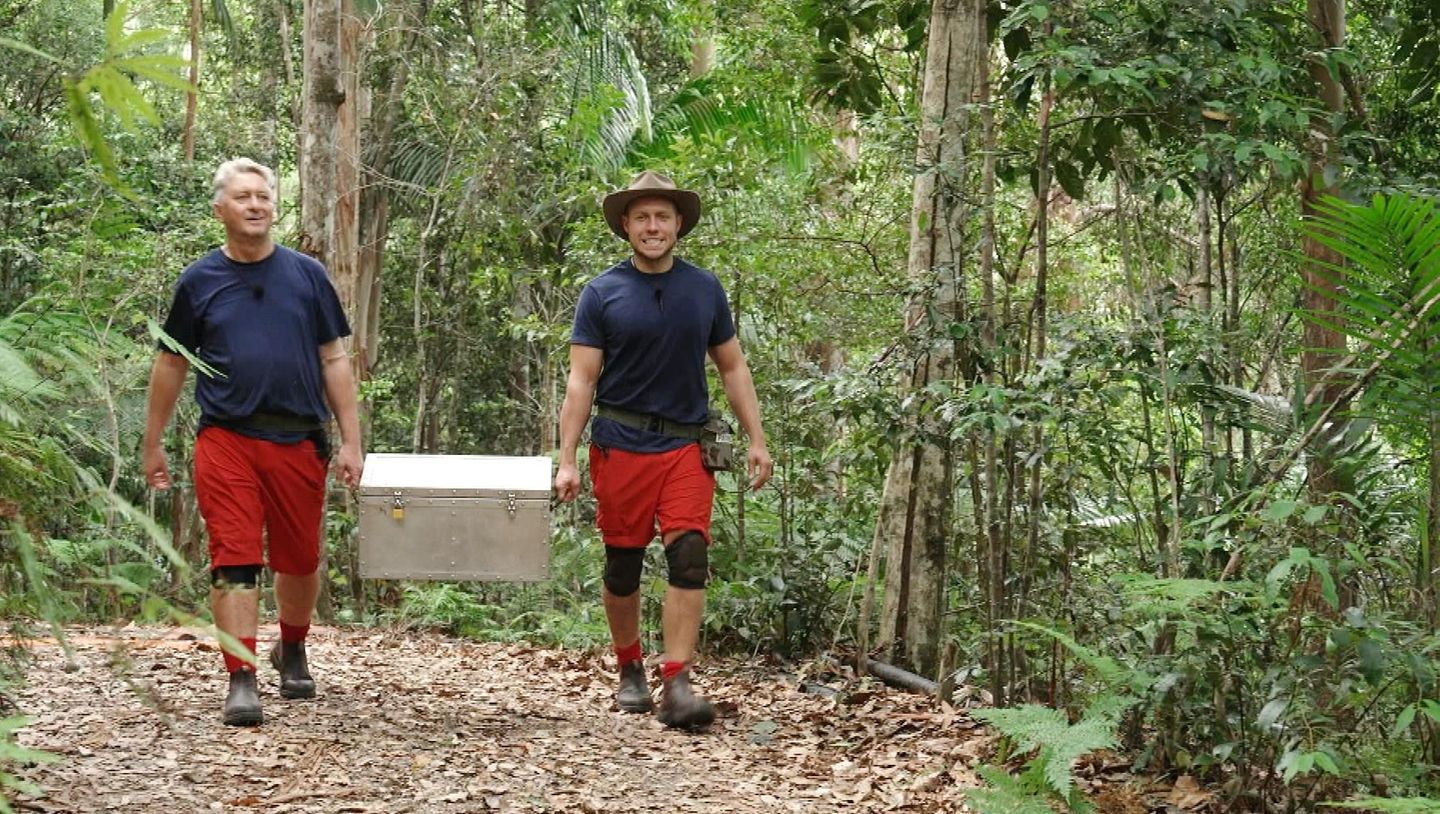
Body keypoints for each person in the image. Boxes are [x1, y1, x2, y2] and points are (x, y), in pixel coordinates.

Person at [141, 157, 363, 727]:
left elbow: (334, 358)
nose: (257, 205)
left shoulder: (306, 276)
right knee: (235, 557)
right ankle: (240, 675)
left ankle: (292, 646)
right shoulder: (199, 282)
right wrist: (153, 442)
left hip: (297, 439)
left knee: (299, 559)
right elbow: (171, 364)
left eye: (264, 196)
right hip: (227, 438)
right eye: (243, 197)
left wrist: (350, 441)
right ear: (221, 209)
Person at [554, 170, 773, 730]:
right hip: (621, 444)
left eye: (663, 217)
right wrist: (566, 456)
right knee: (623, 564)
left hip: (685, 445)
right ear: (626, 226)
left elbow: (732, 365)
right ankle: (630, 667)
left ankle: (677, 680)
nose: (654, 227)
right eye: (643, 217)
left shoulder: (704, 289)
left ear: (678, 225)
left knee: (689, 556)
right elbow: (582, 380)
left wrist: (758, 439)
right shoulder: (602, 292)